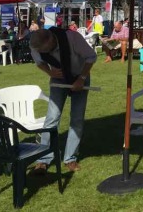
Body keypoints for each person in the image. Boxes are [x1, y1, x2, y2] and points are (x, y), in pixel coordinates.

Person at [29, 27, 97, 174]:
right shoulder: (35, 44)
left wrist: (82, 78)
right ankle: (43, 159)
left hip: (79, 76)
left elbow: (91, 57)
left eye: (45, 49)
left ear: (51, 39)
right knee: (52, 118)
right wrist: (49, 72)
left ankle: (70, 158)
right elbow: (39, 61)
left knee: (77, 119)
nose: (43, 52)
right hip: (58, 79)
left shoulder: (73, 38)